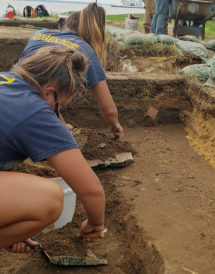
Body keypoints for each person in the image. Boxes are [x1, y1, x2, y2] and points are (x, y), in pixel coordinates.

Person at [0, 46, 105, 252]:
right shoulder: (33, 109)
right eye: (59, 107)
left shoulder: (6, 80)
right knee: (50, 199)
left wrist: (12, 230)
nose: (57, 113)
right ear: (50, 93)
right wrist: (95, 224)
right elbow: (92, 190)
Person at [20, 3, 123, 138]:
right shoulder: (86, 51)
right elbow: (108, 110)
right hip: (30, 112)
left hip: (10, 89)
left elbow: (35, 85)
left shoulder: (39, 34)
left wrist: (61, 125)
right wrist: (115, 125)